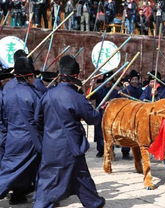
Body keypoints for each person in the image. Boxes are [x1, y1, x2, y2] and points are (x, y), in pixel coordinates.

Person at [33, 55, 105, 208]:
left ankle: (94, 203)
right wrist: (97, 110)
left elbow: (37, 119)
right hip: (71, 146)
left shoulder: (48, 94)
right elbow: (93, 119)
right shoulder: (76, 97)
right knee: (78, 176)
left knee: (70, 177)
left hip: (50, 145)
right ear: (76, 76)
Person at [0, 57, 41, 204]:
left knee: (12, 169)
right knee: (9, 174)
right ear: (30, 76)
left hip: (12, 136)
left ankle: (19, 195)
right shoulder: (34, 94)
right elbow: (39, 119)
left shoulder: (7, 92)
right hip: (29, 138)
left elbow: (3, 118)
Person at [89, 72, 120, 158]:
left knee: (110, 133)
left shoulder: (115, 91)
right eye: (107, 81)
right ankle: (100, 150)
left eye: (110, 81)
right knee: (100, 133)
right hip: (100, 114)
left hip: (111, 116)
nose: (108, 83)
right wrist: (92, 86)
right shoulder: (99, 89)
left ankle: (110, 150)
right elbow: (90, 96)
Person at [120, 69, 142, 159]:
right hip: (128, 114)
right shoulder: (126, 89)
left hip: (138, 114)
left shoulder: (140, 90)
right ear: (130, 80)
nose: (134, 81)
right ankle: (125, 152)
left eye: (136, 79)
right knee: (126, 134)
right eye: (133, 79)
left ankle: (137, 152)